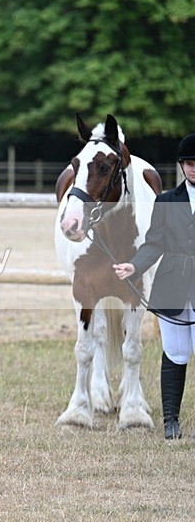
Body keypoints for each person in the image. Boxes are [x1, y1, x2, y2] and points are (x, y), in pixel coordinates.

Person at [113, 132, 195, 439]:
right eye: (188, 163)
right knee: (175, 351)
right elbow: (153, 244)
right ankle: (171, 421)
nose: (193, 169)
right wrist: (134, 265)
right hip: (173, 282)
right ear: (181, 166)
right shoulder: (167, 201)